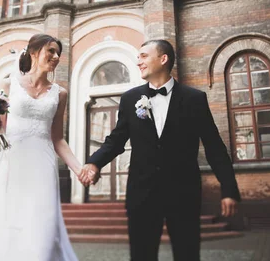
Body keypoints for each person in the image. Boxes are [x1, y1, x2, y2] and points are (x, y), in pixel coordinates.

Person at [80, 39, 241, 261]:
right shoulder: (130, 99)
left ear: (163, 59)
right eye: (138, 57)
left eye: (144, 56)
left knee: (187, 254)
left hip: (183, 192)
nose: (139, 62)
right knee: (142, 255)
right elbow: (116, 141)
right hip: (142, 193)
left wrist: (229, 189)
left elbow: (214, 148)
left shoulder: (194, 99)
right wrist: (94, 162)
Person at [0, 34, 82, 261]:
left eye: (58, 53)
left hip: (43, 165)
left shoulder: (60, 94)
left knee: (43, 224)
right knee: (10, 225)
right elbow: (1, 133)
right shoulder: (8, 85)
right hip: (13, 163)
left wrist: (78, 169)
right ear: (33, 53)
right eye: (51, 51)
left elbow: (58, 139)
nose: (56, 57)